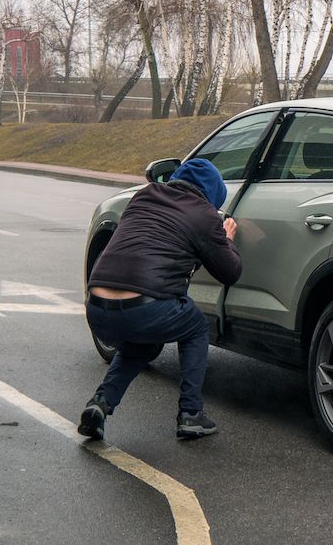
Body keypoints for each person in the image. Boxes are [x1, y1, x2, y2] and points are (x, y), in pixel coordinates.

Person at [78, 158, 242, 441]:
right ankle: (191, 414)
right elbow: (230, 272)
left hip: (97, 307)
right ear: (213, 195)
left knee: (141, 344)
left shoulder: (144, 196)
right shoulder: (204, 215)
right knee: (195, 326)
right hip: (143, 308)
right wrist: (226, 239)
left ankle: (100, 405)